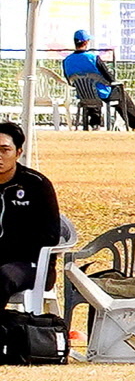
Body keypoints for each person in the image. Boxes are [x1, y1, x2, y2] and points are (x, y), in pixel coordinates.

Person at [0, 121, 63, 307]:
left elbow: (50, 236)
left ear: (18, 152)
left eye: (5, 150)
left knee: (3, 276)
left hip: (31, 263)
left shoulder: (36, 185)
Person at [60, 32, 111, 130]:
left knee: (89, 94)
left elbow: (69, 79)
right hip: (102, 92)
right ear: (86, 42)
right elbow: (108, 76)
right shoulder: (93, 57)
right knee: (121, 96)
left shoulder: (67, 60)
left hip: (82, 94)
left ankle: (94, 124)